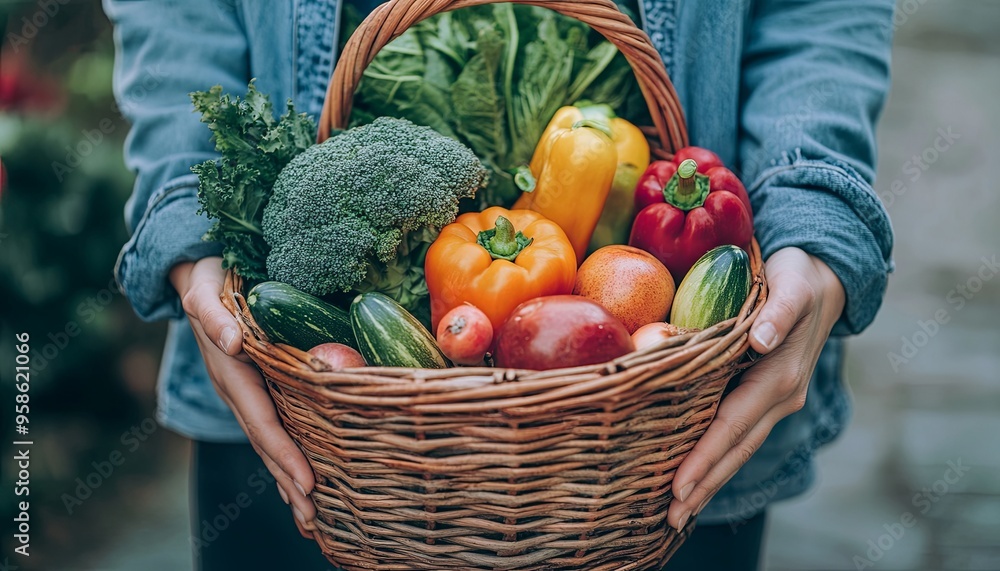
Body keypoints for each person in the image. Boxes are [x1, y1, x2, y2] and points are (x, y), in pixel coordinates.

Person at [104, 0, 895, 569]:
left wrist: (815, 223)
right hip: (307, 436)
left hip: (668, 437)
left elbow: (817, 15)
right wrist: (190, 224)